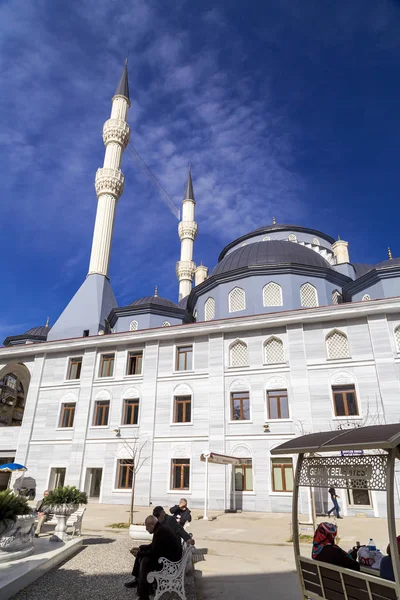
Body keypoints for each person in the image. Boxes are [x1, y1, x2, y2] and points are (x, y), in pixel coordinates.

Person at [125, 515, 182, 600]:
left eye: (147, 526)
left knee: (145, 561)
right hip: (167, 557)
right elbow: (155, 546)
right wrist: (142, 548)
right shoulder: (159, 528)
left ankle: (144, 595)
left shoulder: (160, 531)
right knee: (141, 554)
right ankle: (138, 581)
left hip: (169, 562)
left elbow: (155, 552)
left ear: (152, 525)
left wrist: (140, 553)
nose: (146, 529)